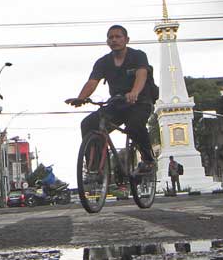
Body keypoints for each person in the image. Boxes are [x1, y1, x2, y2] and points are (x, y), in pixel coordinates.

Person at [66, 24, 159, 171]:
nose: (114, 40)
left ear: (126, 39)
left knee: (134, 126)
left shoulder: (138, 55)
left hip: (140, 102)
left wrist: (134, 92)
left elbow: (142, 74)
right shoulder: (103, 62)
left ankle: (148, 159)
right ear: (107, 41)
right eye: (110, 37)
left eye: (118, 37)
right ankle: (96, 167)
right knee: (88, 124)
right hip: (117, 104)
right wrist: (81, 98)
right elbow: (92, 82)